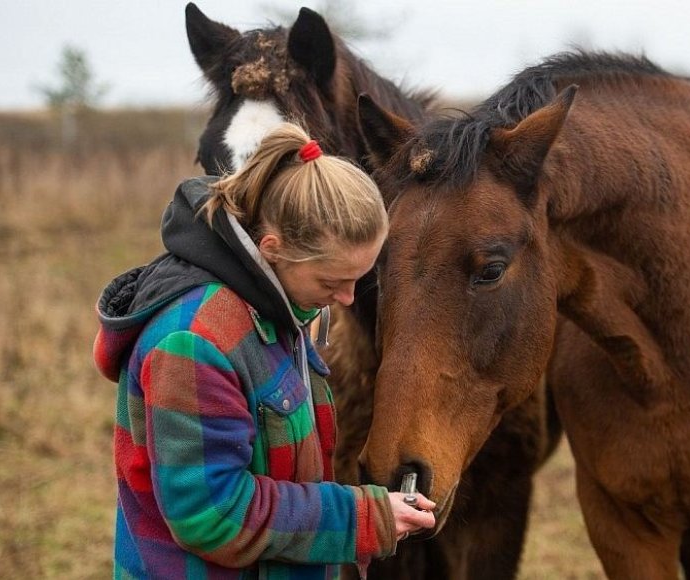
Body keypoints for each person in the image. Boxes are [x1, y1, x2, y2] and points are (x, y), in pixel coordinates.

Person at [93, 122, 435, 579]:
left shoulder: (274, 306)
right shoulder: (194, 344)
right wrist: (360, 518)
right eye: (332, 282)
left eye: (360, 279)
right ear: (273, 249)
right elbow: (213, 515)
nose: (349, 299)